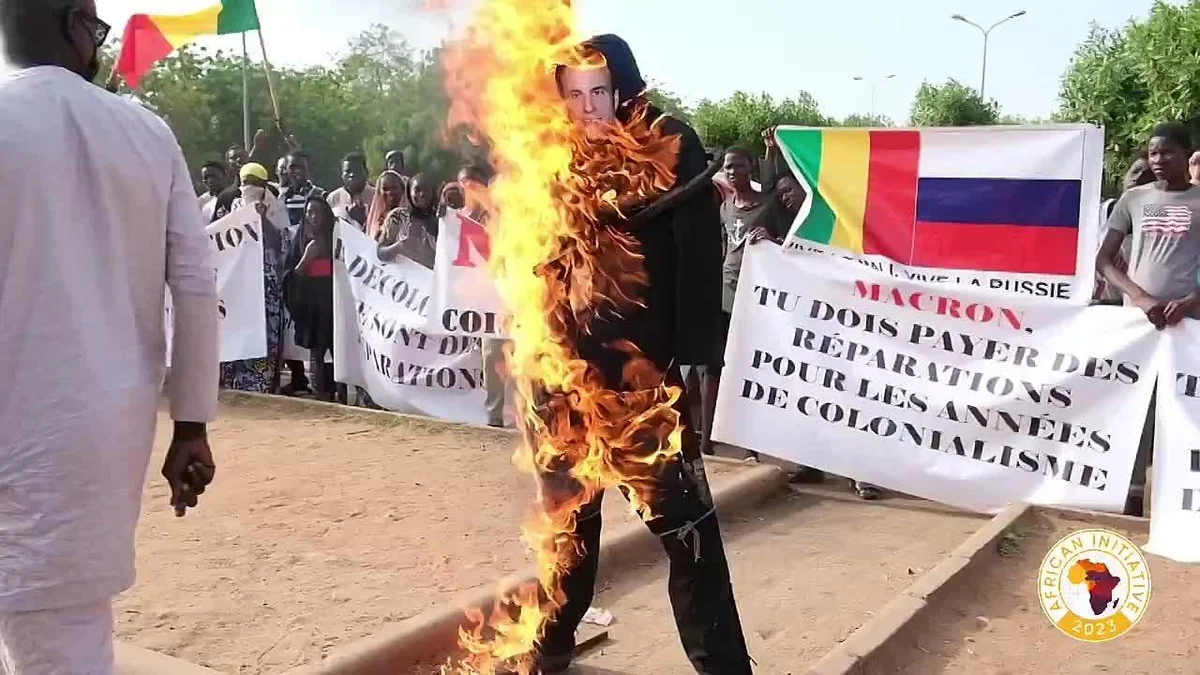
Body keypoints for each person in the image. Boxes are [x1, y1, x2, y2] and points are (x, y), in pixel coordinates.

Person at [0, 1, 219, 672]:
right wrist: (190, 424)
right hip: (83, 448)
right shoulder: (148, 135)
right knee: (67, 645)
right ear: (74, 25)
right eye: (95, 25)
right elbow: (195, 284)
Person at [534, 34, 751, 675]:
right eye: (574, 94)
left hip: (642, 380)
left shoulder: (667, 147)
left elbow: (697, 255)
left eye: (599, 91)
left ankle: (723, 667)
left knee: (686, 531)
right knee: (567, 524)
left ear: (623, 85)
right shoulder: (554, 160)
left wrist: (688, 357)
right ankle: (550, 642)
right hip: (566, 376)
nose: (588, 106)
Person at [1097, 123, 1200, 517]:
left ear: (1187, 155)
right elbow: (1104, 260)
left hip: (1187, 326)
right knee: (1136, 404)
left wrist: (1191, 301)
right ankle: (1132, 491)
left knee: (1183, 408)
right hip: (1138, 325)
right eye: (1153, 153)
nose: (1158, 160)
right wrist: (1138, 297)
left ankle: (1180, 497)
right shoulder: (1133, 199)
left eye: (1168, 152)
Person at [219, 163, 288, 394]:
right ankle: (234, 385)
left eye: (255, 183)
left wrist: (262, 219)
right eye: (245, 182)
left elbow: (282, 244)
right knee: (238, 333)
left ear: (264, 186)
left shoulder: (276, 209)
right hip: (239, 288)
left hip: (265, 290)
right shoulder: (231, 207)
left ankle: (262, 386)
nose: (249, 188)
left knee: (264, 337)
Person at [279, 150, 324, 395]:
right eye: (291, 167)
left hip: (316, 269)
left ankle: (322, 381)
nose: (294, 171)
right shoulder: (281, 197)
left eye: (299, 167)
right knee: (290, 323)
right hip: (292, 266)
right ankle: (297, 376)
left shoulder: (319, 195)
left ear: (308, 169)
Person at [285, 194, 339, 403]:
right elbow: (291, 276)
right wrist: (307, 259)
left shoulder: (337, 238)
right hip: (313, 308)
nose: (314, 217)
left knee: (339, 353)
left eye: (318, 212)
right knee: (316, 353)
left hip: (335, 305)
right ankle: (320, 396)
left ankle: (340, 394)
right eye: (309, 212)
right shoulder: (300, 240)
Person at [377, 172, 439, 269]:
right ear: (409, 193)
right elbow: (380, 253)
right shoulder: (398, 216)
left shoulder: (441, 220)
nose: (422, 194)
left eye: (426, 190)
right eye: (417, 190)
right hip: (405, 280)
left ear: (433, 192)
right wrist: (398, 247)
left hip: (431, 280)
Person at [328, 151, 375, 230]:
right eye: (348, 171)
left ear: (366, 173)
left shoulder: (377, 196)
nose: (352, 174)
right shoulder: (333, 198)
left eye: (357, 170)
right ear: (342, 175)